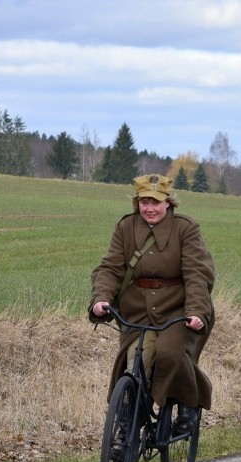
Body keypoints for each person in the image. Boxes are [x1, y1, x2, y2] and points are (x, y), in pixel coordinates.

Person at [89, 174, 215, 435]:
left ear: (168, 202)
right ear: (137, 202)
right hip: (137, 311)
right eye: (145, 201)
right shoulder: (126, 227)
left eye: (156, 202)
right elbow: (110, 267)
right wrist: (101, 298)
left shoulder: (185, 228)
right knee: (135, 361)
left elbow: (197, 274)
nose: (150, 208)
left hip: (179, 309)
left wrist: (197, 311)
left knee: (171, 353)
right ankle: (127, 427)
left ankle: (188, 405)